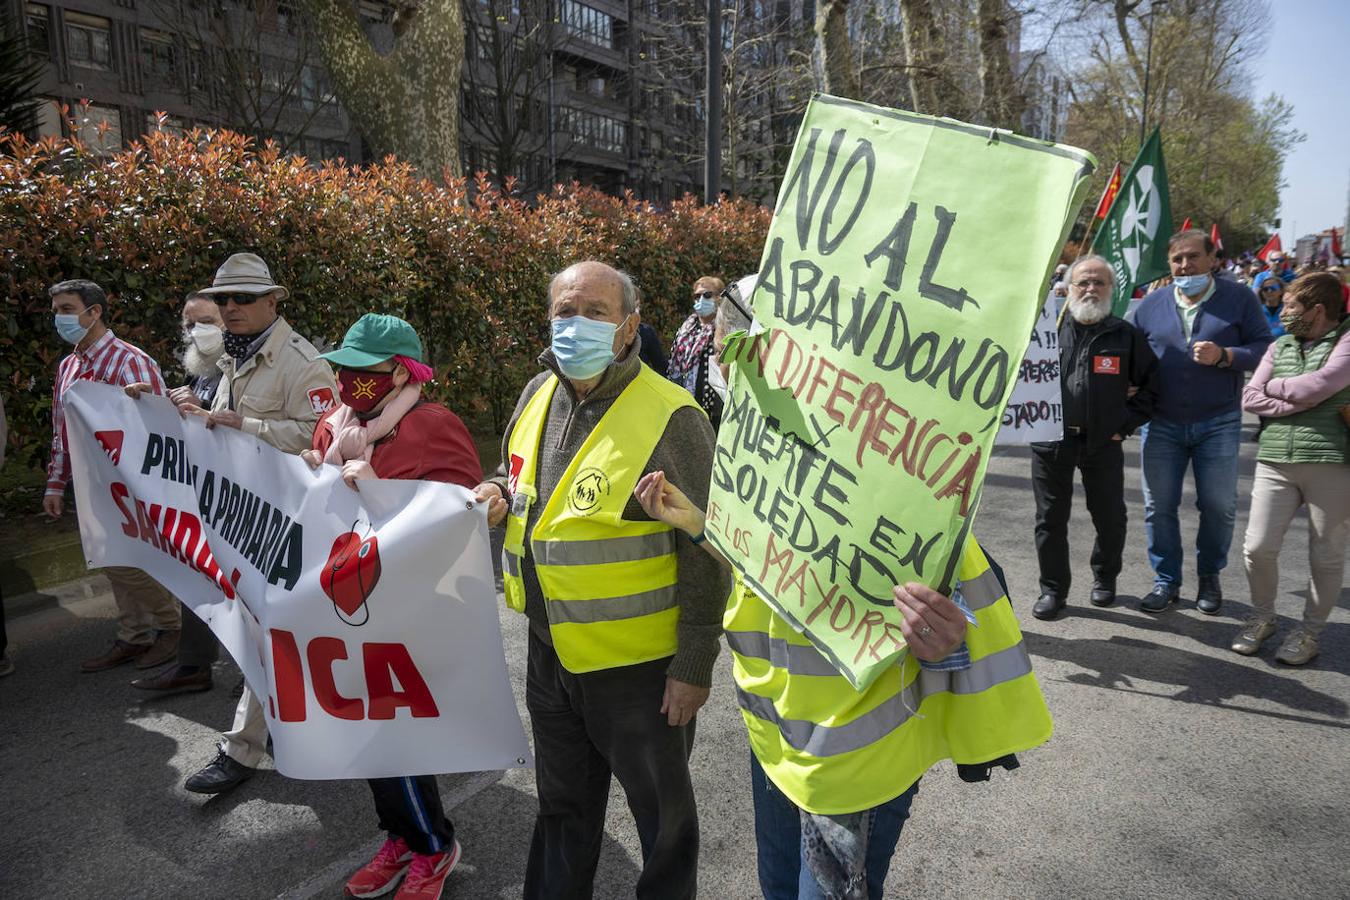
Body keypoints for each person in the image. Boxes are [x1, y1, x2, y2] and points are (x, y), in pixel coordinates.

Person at [629, 476, 1051, 899]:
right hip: (775, 738)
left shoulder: (900, 462)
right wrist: (701, 524)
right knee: (777, 889)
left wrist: (944, 639)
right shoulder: (772, 438)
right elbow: (765, 559)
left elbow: (949, 605)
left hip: (855, 763)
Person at [473, 260, 730, 899]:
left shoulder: (673, 414)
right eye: (566, 312)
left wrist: (695, 661)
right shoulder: (537, 393)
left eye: (596, 313)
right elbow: (518, 477)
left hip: (640, 670)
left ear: (629, 327)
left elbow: (708, 547)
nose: (577, 325)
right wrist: (496, 491)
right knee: (561, 808)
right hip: (550, 650)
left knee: (661, 823)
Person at [300, 313, 481, 900]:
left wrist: (378, 488)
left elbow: (462, 517)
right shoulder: (334, 423)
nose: (349, 379)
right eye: (342, 367)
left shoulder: (433, 425)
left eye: (364, 371)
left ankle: (431, 844)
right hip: (339, 601)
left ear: (402, 374)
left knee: (392, 729)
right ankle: (401, 835)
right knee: (362, 728)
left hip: (409, 604)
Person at [171, 252, 339, 794]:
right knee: (269, 634)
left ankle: (242, 748)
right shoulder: (227, 356)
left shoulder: (302, 362)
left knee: (269, 634)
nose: (231, 307)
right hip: (238, 518)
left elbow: (322, 438)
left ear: (273, 301)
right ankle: (297, 723)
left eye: (243, 298)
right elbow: (219, 427)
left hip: (283, 523)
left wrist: (244, 423)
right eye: (223, 299)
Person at [43, 279, 182, 672]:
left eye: (67, 309)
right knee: (108, 559)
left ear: (95, 312)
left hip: (131, 482)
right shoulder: (69, 366)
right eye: (56, 310)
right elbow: (61, 429)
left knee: (132, 561)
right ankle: (133, 634)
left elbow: (161, 429)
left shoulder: (130, 361)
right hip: (93, 483)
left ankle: (173, 627)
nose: (59, 318)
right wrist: (56, 482)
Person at [1132, 229, 1273, 615]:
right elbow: (1132, 355)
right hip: (1161, 423)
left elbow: (1265, 349)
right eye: (1177, 259)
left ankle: (1209, 576)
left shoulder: (1239, 298)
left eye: (1193, 257)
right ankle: (1166, 581)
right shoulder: (1150, 305)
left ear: (1213, 259)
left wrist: (1226, 355)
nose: (1185, 266)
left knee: (1218, 505)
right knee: (1157, 506)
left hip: (1219, 422)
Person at [1031, 256, 1160, 620]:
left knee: (1110, 517)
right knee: (1049, 520)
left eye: (1099, 283)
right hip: (1050, 442)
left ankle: (1105, 578)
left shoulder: (1125, 335)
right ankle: (1053, 590)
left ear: (1111, 289)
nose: (1090, 289)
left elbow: (1152, 387)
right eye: (1083, 282)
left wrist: (1126, 423)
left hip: (1104, 443)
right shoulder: (1045, 332)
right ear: (1068, 288)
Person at [1232, 273, 1350, 666]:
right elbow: (1249, 396)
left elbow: (1320, 385)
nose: (1283, 312)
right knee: (1257, 547)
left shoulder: (1346, 341)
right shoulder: (1279, 344)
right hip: (1275, 458)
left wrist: (1280, 388)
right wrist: (1298, 399)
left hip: (1331, 460)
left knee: (1326, 556)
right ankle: (1262, 617)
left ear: (1317, 310)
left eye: (1291, 305)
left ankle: (1309, 633)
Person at [128, 293, 229, 695]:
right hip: (203, 491)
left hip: (239, 495)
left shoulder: (242, 367)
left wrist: (201, 407)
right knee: (196, 573)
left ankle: (257, 677)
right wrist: (154, 403)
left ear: (227, 323)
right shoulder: (200, 370)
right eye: (189, 324)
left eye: (204, 322)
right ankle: (193, 665)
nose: (195, 332)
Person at [666, 275, 726, 428]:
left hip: (712, 405)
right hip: (683, 398)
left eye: (707, 295)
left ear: (719, 298)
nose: (701, 300)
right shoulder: (687, 327)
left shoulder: (724, 329)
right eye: (697, 296)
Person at [1253, 274, 1287, 338]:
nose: (1269, 291)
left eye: (1273, 288)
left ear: (1281, 291)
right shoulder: (1255, 312)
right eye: (1265, 289)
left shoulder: (1288, 311)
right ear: (1262, 292)